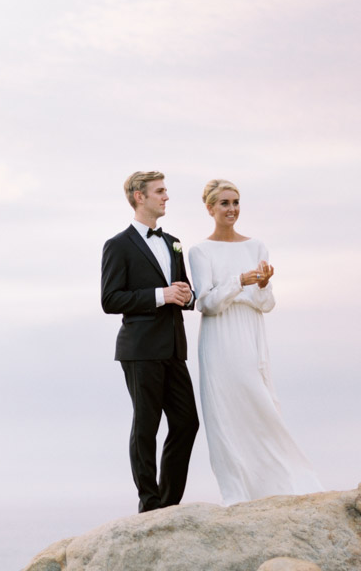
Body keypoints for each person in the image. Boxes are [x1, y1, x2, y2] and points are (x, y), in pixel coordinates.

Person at [187, 179, 321, 506]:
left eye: (235, 202)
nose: (231, 209)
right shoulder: (200, 251)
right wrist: (239, 281)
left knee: (263, 404)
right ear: (210, 208)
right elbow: (205, 302)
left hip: (251, 332)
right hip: (221, 338)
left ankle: (287, 481)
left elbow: (266, 303)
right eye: (224, 203)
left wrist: (261, 285)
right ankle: (237, 492)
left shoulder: (257, 246)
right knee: (226, 412)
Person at [101, 171, 199, 513]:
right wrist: (162, 294)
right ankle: (149, 502)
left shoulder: (173, 241)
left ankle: (169, 501)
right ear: (139, 196)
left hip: (173, 347)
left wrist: (187, 295)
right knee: (147, 425)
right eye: (160, 192)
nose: (166, 197)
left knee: (187, 422)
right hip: (140, 349)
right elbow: (110, 299)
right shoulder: (118, 245)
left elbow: (183, 291)